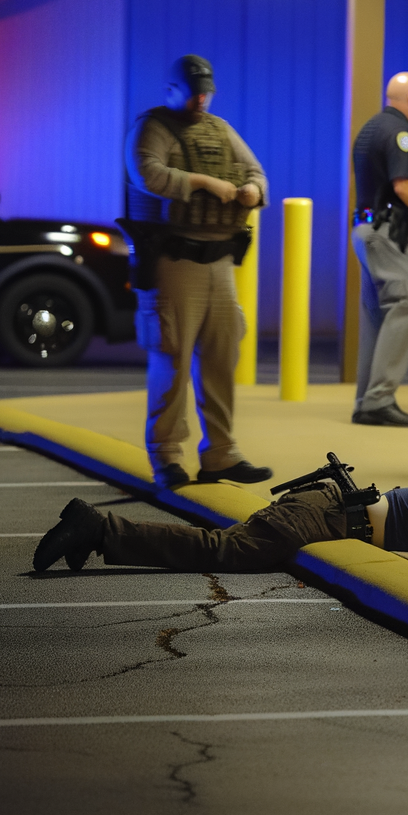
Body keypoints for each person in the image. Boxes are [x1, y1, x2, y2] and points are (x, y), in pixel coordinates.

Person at [126, 54, 272, 489]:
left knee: (222, 357)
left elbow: (257, 172)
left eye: (206, 93)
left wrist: (252, 191)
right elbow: (146, 174)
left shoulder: (220, 128)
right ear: (173, 90)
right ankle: (166, 454)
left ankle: (221, 454)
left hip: (220, 261)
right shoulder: (153, 127)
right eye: (194, 94)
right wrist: (204, 183)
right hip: (174, 259)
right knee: (171, 357)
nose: (201, 101)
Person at [31, 484, 408, 573]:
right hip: (327, 514)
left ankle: (99, 537)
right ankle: (96, 529)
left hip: (327, 513)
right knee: (228, 553)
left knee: (228, 549)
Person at [350, 72, 408, 426]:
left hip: (370, 229)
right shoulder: (400, 135)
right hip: (390, 232)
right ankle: (378, 399)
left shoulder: (372, 128)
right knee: (407, 299)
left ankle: (367, 400)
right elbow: (404, 186)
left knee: (379, 313)